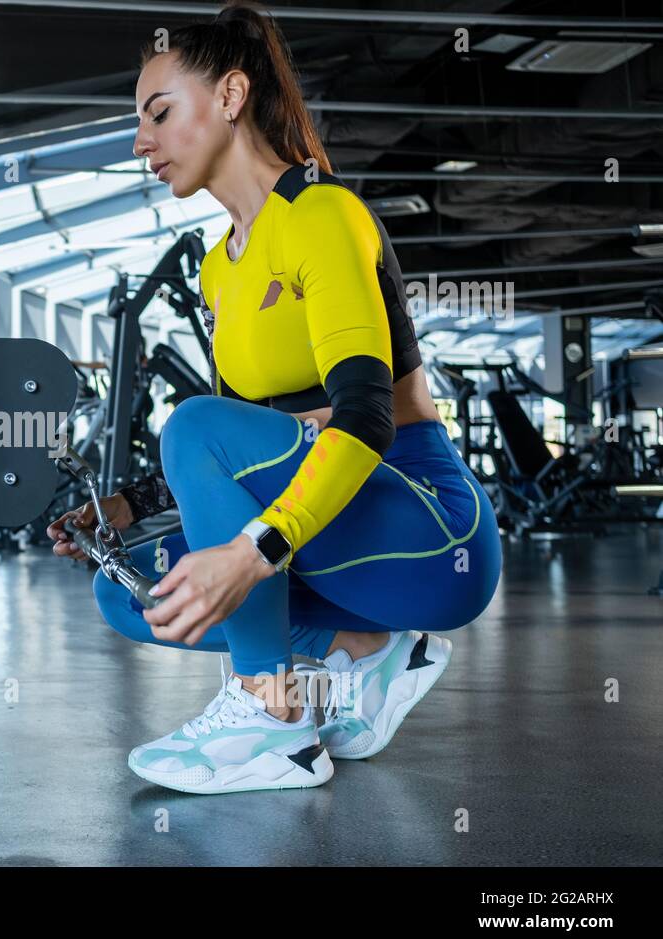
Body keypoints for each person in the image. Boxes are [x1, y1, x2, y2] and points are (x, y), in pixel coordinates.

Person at [47, 1, 502, 796]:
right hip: (339, 536)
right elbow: (247, 442)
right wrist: (129, 506)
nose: (139, 141)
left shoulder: (322, 214)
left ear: (229, 96)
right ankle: (369, 652)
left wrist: (255, 552)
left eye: (159, 113)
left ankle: (271, 719)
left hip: (430, 528)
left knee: (192, 428)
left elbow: (361, 416)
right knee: (139, 593)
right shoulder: (220, 267)